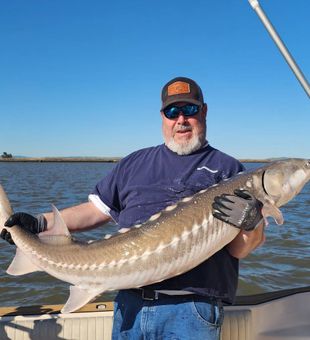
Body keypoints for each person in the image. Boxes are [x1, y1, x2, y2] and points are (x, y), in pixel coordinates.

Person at [1, 77, 265, 340]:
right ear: (163, 116)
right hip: (129, 306)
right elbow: (95, 211)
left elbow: (239, 249)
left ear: (204, 111)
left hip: (191, 309)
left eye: (190, 110)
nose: (181, 119)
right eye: (173, 111)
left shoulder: (229, 171)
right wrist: (38, 223)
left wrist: (251, 224)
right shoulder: (134, 162)